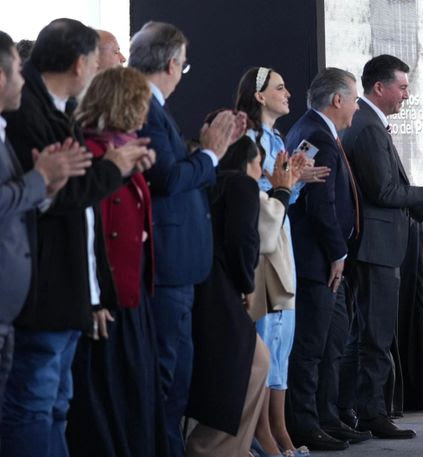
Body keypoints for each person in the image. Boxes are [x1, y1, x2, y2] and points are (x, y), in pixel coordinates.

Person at [0, 18, 152, 457]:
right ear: (81, 63)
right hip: (42, 289)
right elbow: (59, 196)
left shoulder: (56, 111)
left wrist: (94, 294)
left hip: (67, 290)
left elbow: (78, 207)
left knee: (57, 406)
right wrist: (113, 168)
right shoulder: (27, 112)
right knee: (34, 407)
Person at [128, 21, 245, 457]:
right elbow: (167, 179)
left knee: (176, 379)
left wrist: (210, 152)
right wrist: (211, 154)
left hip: (179, 266)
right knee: (166, 379)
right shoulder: (144, 106)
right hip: (166, 266)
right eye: (184, 64)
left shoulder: (152, 107)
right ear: (173, 64)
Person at [340, 54, 423, 440]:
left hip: (376, 246)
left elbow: (383, 190)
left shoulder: (370, 123)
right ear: (379, 88)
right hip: (374, 248)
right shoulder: (369, 127)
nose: (407, 95)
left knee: (367, 334)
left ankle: (354, 410)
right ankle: (370, 412)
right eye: (403, 87)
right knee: (374, 336)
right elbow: (383, 191)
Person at [64, 66, 169, 457]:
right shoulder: (94, 155)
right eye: (140, 104)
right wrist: (96, 297)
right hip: (109, 299)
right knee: (113, 398)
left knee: (135, 392)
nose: (146, 113)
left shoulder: (123, 150)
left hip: (131, 293)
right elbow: (91, 231)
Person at [235, 66, 327, 457]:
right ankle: (264, 437)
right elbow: (248, 195)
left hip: (281, 239)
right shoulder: (249, 138)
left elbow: (282, 194)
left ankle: (279, 430)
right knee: (265, 339)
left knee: (281, 339)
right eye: (280, 87)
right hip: (261, 247)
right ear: (259, 96)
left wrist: (295, 183)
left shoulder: (274, 137)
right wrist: (283, 185)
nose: (289, 93)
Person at [185, 136, 298, 457]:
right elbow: (248, 240)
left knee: (254, 362)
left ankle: (235, 447)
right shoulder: (241, 186)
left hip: (208, 291)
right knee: (247, 365)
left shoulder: (215, 184)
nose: (261, 171)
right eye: (258, 164)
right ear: (249, 163)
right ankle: (216, 448)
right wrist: (247, 285)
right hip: (225, 294)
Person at [0, 30, 92, 413]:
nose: (26, 78)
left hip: (12, 311)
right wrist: (41, 178)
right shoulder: (27, 119)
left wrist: (47, 185)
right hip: (25, 309)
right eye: (20, 70)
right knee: (30, 413)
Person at [285, 67, 374, 451]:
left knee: (332, 343)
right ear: (338, 100)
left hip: (328, 260)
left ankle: (328, 417)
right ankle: (305, 424)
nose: (357, 106)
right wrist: (338, 253)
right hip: (317, 260)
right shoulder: (313, 134)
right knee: (310, 348)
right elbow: (319, 205)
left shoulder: (319, 131)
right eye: (354, 98)